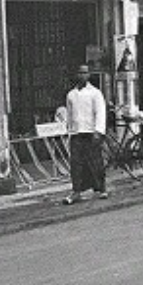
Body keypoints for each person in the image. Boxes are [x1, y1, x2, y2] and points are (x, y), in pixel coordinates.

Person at [63, 64, 108, 204]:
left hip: (91, 132)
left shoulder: (95, 93)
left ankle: (101, 188)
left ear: (88, 75)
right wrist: (69, 130)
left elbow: (100, 112)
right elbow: (69, 115)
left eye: (85, 73)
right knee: (76, 163)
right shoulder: (71, 95)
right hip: (76, 132)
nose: (82, 75)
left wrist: (98, 131)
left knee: (95, 161)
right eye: (79, 73)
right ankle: (76, 191)